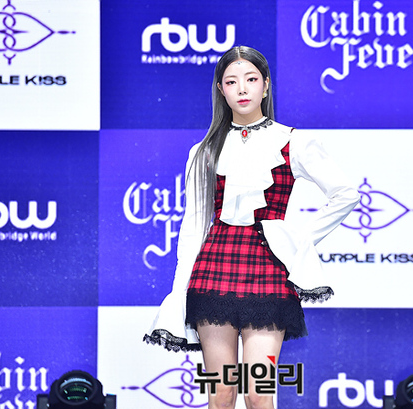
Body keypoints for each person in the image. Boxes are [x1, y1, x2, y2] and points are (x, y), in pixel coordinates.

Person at [144, 45, 360, 409]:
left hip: (268, 271)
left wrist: (297, 240)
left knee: (259, 393)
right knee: (221, 394)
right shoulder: (203, 151)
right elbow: (193, 227)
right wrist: (178, 292)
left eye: (251, 79)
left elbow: (346, 194)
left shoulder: (294, 141)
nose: (242, 89)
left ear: (266, 85)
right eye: (231, 81)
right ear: (220, 89)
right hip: (213, 272)